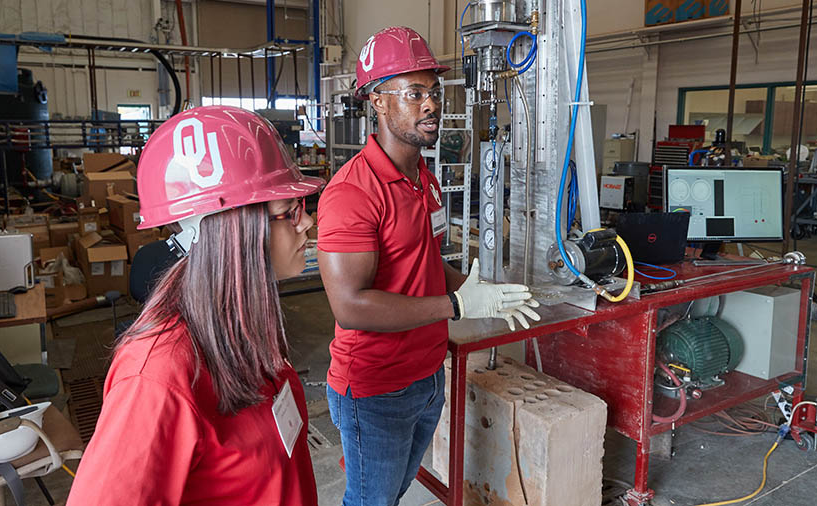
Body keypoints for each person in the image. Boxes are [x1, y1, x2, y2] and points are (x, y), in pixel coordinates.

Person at [317, 26, 541, 505]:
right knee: (371, 501)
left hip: (426, 373)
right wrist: (457, 305)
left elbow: (426, 264)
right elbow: (351, 307)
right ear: (377, 100)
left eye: (434, 91)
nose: (432, 104)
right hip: (375, 390)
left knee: (395, 492)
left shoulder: (425, 178)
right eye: (414, 92)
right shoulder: (351, 193)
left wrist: (484, 292)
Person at [66, 106, 326, 505]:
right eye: (289, 212)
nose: (306, 223)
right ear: (229, 230)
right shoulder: (157, 375)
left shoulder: (242, 322)